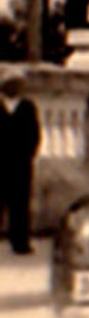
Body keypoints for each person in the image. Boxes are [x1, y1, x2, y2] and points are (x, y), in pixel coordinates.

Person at [0, 71, 40, 256]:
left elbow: (34, 135)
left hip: (21, 164)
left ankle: (20, 242)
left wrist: (28, 154)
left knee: (21, 205)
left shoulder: (27, 107)